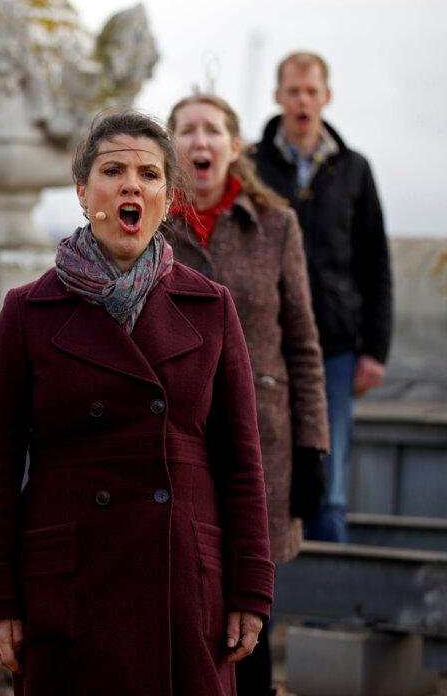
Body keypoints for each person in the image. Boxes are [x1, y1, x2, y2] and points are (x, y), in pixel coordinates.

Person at [0, 110, 274, 695]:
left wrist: (250, 588)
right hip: (71, 579)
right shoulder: (27, 312)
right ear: (83, 192)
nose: (133, 184)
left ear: (166, 197)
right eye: (113, 170)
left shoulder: (212, 307)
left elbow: (241, 461)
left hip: (184, 577)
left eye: (150, 174)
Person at [167, 93, 331, 696]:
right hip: (177, 439)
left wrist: (315, 444)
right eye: (186, 130)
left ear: (235, 147)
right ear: (171, 147)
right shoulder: (151, 228)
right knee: (189, 590)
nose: (200, 141)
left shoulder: (277, 226)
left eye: (213, 130)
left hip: (263, 442)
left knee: (251, 602)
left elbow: (305, 348)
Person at [252, 52, 392, 543]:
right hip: (264, 345)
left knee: (328, 479)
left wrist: (375, 349)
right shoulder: (249, 165)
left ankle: (328, 604)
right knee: (260, 474)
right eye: (293, 91)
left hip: (334, 345)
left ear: (326, 97)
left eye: (311, 91)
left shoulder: (354, 168)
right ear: (278, 97)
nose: (302, 100)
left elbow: (376, 261)